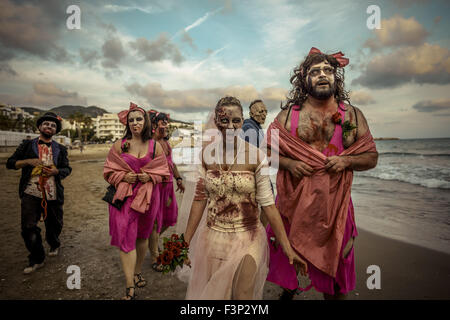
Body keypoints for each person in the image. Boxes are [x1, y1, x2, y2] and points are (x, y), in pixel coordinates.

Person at [266, 47, 378, 300]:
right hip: (294, 208)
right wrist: (289, 164)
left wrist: (347, 160)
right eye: (315, 71)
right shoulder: (286, 117)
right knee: (288, 264)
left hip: (336, 209)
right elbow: (264, 153)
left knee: (337, 277)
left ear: (336, 77)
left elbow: (371, 157)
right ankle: (289, 290)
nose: (322, 75)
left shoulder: (352, 115)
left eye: (328, 70)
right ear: (304, 78)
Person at [181, 96, 307, 300]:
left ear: (242, 122)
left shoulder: (256, 156)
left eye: (236, 121)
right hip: (214, 238)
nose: (230, 126)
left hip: (248, 237)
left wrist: (287, 247)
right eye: (225, 120)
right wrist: (184, 242)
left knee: (242, 295)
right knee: (219, 295)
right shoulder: (205, 156)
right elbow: (199, 200)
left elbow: (268, 205)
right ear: (216, 122)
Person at [103, 102, 170, 300]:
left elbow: (164, 173)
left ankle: (138, 271)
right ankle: (130, 286)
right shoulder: (119, 145)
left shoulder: (155, 146)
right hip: (124, 198)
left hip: (149, 198)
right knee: (125, 237)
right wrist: (124, 177)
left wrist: (149, 177)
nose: (135, 123)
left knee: (142, 236)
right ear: (127, 123)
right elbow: (108, 171)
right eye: (131, 120)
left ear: (146, 121)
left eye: (138, 119)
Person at [6, 112, 72, 274]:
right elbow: (10, 163)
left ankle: (54, 243)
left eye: (53, 125)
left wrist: (56, 171)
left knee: (54, 223)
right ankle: (37, 258)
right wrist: (28, 161)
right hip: (30, 192)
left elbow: (67, 169)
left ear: (56, 130)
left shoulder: (60, 149)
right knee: (28, 226)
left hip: (53, 193)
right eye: (46, 124)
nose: (49, 127)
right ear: (39, 127)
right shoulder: (27, 145)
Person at [147, 110, 185, 272]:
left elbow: (172, 163)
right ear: (154, 125)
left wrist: (178, 178)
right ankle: (155, 256)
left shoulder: (166, 143)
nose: (165, 126)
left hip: (168, 186)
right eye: (162, 123)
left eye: (166, 123)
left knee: (170, 217)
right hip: (155, 187)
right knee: (155, 221)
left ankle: (153, 241)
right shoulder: (149, 144)